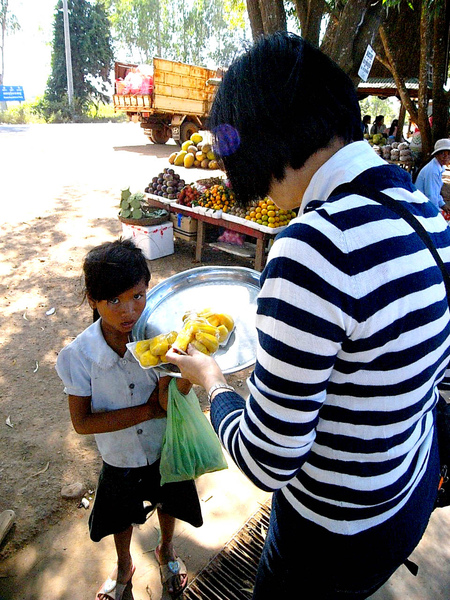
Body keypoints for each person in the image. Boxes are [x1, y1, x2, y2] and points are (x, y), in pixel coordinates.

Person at [167, 32, 450, 599]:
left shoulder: (312, 248)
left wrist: (214, 383)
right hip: (408, 491)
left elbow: (268, 461)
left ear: (265, 145)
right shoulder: (429, 215)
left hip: (332, 535)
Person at [55, 239, 203, 600]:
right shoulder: (78, 357)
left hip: (164, 448)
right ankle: (125, 565)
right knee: (120, 517)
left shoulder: (161, 338)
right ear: (92, 299)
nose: (129, 311)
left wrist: (185, 368)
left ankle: (166, 549)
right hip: (118, 457)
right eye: (114, 301)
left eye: (138, 295)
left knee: (170, 502)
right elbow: (83, 423)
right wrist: (148, 410)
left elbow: (170, 402)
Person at [415, 138, 450, 212]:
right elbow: (431, 196)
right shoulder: (433, 171)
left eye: (448, 154)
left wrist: (442, 204)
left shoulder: (439, 168)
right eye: (442, 153)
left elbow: (436, 192)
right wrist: (436, 214)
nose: (446, 157)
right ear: (436, 155)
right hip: (421, 206)